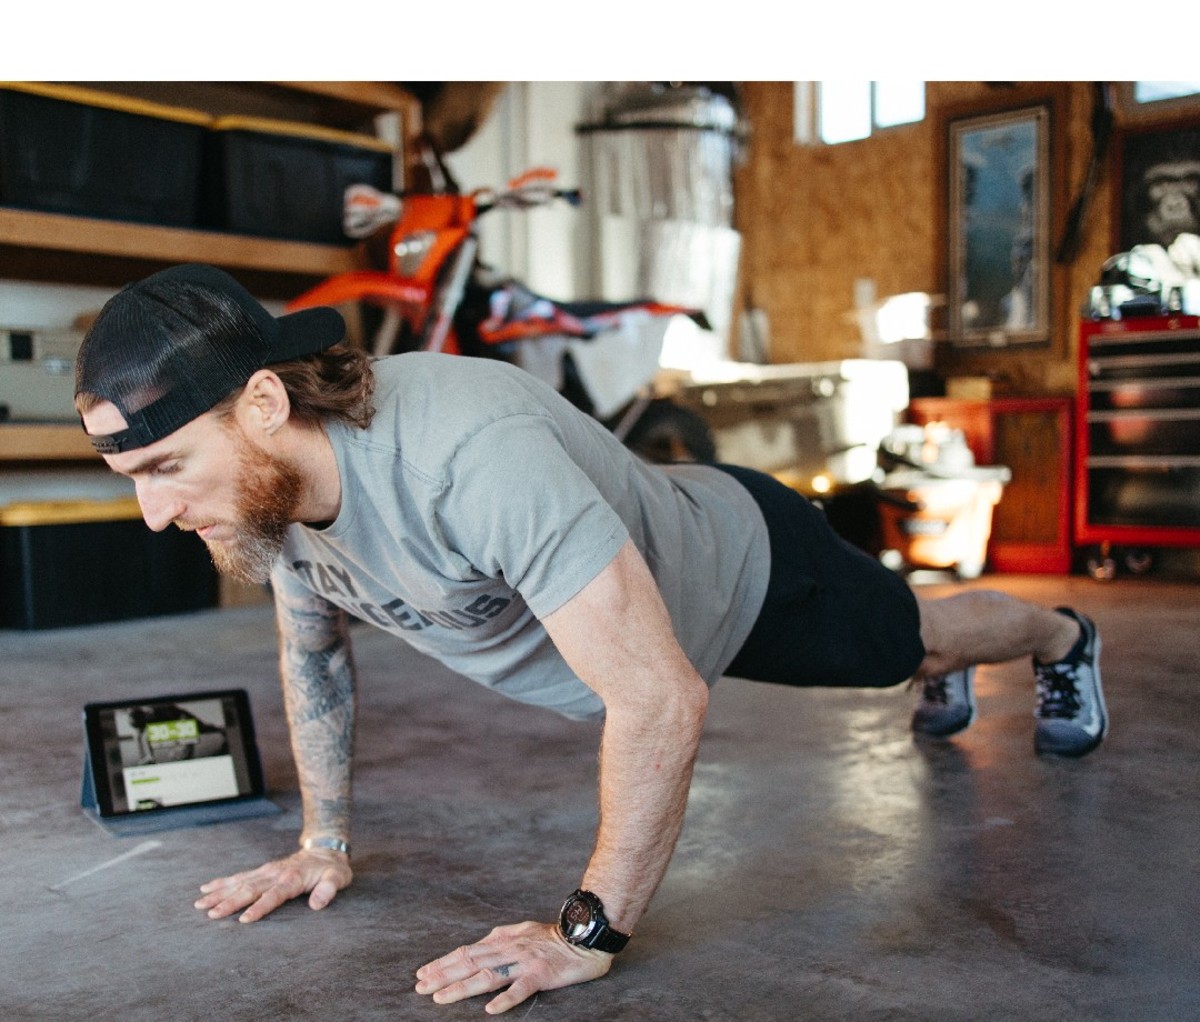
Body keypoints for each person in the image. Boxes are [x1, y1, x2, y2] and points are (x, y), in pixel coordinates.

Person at [75, 264, 1108, 1015]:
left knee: (913, 645)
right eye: (135, 479)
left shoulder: (466, 456)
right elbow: (314, 654)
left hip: (743, 572)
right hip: (644, 606)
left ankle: (1062, 632)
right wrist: (321, 842)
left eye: (167, 465)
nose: (155, 515)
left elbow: (660, 698)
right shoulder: (272, 496)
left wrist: (587, 933)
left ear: (262, 400)